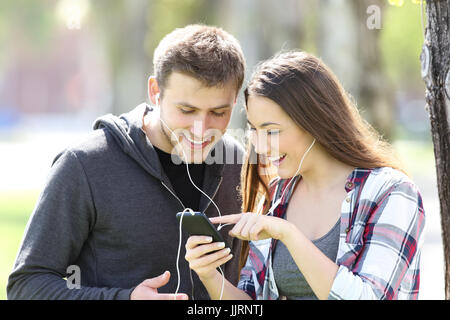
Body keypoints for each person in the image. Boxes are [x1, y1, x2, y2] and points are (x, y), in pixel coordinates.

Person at [7, 24, 246, 300]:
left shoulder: (237, 163)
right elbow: (26, 286)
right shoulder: (84, 165)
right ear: (155, 91)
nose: (201, 129)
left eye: (218, 112)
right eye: (187, 110)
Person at [184, 51, 425, 300]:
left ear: (314, 121)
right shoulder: (279, 195)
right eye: (254, 130)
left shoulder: (391, 193)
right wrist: (210, 275)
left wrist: (289, 235)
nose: (262, 147)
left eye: (272, 131)